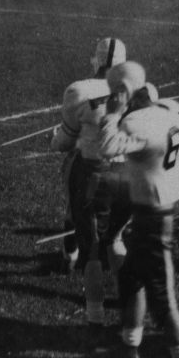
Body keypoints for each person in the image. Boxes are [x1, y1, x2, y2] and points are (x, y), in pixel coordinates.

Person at [97, 62, 179, 358]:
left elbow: (107, 147)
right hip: (168, 208)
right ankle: (130, 347)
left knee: (162, 299)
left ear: (122, 92)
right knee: (131, 278)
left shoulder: (136, 122)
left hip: (155, 217)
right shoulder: (170, 112)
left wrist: (112, 114)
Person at [49, 37, 130, 342]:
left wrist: (54, 139)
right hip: (128, 176)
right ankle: (128, 305)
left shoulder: (78, 91)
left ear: (95, 60)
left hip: (94, 175)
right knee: (117, 239)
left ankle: (95, 317)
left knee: (93, 248)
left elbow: (65, 142)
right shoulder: (138, 90)